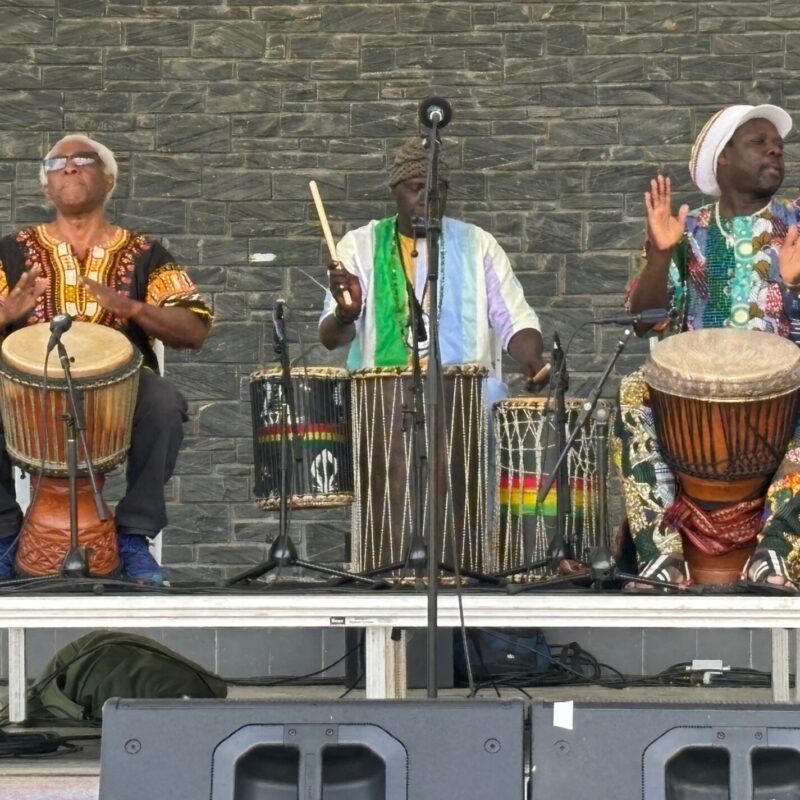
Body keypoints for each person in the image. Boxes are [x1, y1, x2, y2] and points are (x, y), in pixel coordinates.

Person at [0, 134, 213, 584]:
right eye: (57, 163)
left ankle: (134, 538)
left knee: (164, 401)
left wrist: (134, 308)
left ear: (109, 178)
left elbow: (194, 328)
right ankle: (3, 536)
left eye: (83, 159)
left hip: (122, 392)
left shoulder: (144, 254)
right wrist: (7, 313)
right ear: (45, 187)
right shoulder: (11, 253)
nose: (70, 167)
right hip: (25, 392)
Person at [613, 104, 800, 589]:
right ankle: (661, 555)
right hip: (694, 398)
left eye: (775, 143)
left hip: (784, 400)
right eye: (757, 142)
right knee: (634, 390)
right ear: (722, 160)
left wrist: (795, 288)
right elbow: (645, 322)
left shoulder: (797, 226)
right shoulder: (687, 230)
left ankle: (775, 553)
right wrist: (658, 256)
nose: (774, 148)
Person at [320, 135, 547, 394]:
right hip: (383, 398)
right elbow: (331, 339)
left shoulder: (478, 244)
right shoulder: (359, 246)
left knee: (490, 396)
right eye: (416, 188)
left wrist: (533, 359)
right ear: (395, 189)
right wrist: (346, 314)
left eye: (435, 190)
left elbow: (514, 318)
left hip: (464, 395)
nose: (427, 199)